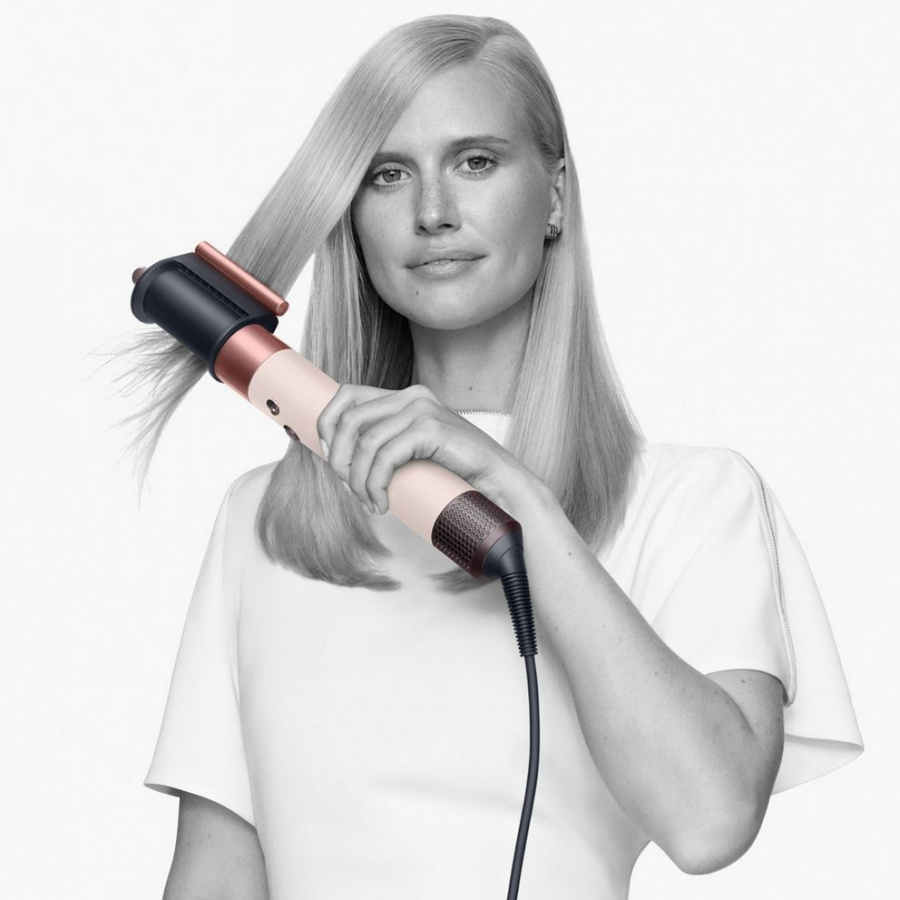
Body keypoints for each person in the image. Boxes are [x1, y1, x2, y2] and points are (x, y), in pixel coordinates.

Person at [124, 14, 863, 900]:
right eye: (388, 174)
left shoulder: (691, 500)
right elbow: (215, 876)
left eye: (475, 161)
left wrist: (517, 497)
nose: (432, 211)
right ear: (351, 214)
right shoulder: (267, 519)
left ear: (554, 196)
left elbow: (710, 821)